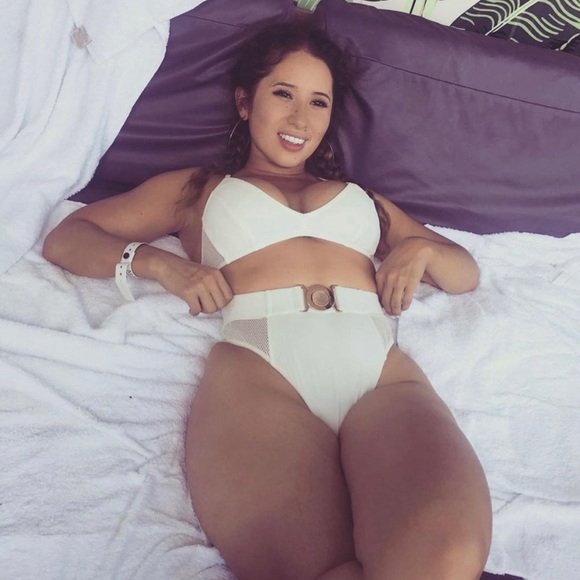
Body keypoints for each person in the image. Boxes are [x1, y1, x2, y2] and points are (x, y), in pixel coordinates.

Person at [43, 21, 492, 580]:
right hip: (261, 373)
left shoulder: (363, 199)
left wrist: (419, 248)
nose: (300, 119)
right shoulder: (198, 188)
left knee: (445, 560)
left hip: (381, 376)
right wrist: (159, 263)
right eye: (283, 94)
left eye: (318, 102)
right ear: (244, 101)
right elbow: (68, 238)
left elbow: (464, 272)